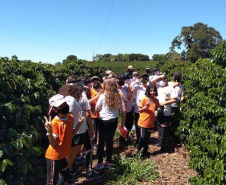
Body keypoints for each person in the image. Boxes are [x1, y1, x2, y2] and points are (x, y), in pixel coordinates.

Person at [45, 94, 84, 185]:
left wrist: (79, 124)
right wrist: (50, 133)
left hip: (63, 155)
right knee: (51, 182)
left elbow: (71, 136)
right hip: (54, 156)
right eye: (61, 106)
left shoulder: (70, 117)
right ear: (55, 109)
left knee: (66, 176)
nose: (64, 107)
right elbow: (54, 145)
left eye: (64, 104)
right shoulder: (54, 123)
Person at [94, 78, 126, 170]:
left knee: (101, 141)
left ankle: (100, 163)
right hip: (114, 120)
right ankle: (108, 161)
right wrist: (123, 121)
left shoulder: (103, 96)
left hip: (103, 120)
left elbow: (97, 108)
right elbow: (123, 109)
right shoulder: (118, 96)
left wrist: (97, 112)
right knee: (110, 140)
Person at [155, 75, 177, 152]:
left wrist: (165, 103)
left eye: (163, 79)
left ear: (166, 79)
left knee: (164, 128)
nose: (161, 81)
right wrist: (159, 77)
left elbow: (174, 99)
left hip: (166, 111)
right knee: (159, 127)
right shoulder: (158, 87)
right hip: (158, 111)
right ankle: (160, 142)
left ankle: (163, 145)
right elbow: (150, 82)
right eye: (160, 79)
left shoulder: (170, 88)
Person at [137, 84, 160, 157]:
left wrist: (157, 112)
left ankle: (145, 151)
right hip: (143, 122)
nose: (152, 92)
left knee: (147, 138)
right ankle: (139, 151)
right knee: (143, 137)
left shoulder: (156, 100)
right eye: (150, 91)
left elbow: (156, 109)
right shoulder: (144, 99)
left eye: (153, 91)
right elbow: (139, 110)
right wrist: (145, 107)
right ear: (148, 91)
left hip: (151, 122)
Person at [131, 73, 149, 144]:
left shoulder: (149, 87)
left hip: (146, 110)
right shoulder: (137, 87)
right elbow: (130, 89)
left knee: (145, 125)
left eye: (146, 78)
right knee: (138, 125)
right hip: (137, 110)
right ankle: (138, 140)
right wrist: (135, 82)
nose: (144, 79)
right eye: (143, 78)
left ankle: (145, 140)